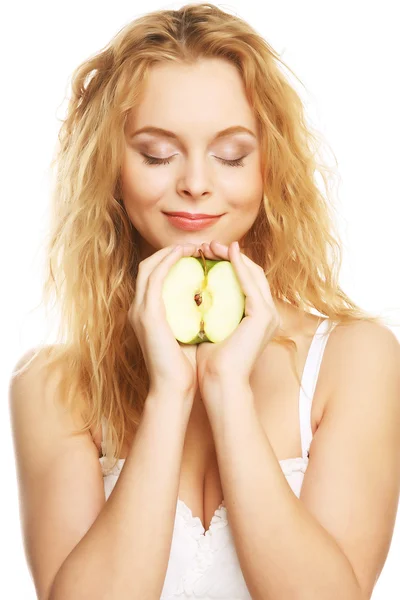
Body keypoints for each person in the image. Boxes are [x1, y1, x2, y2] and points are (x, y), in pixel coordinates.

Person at [9, 3, 400, 600]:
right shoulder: (52, 385)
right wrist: (170, 394)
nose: (195, 182)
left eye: (232, 154)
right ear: (111, 169)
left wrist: (226, 389)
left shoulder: (356, 359)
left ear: (270, 166)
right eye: (158, 154)